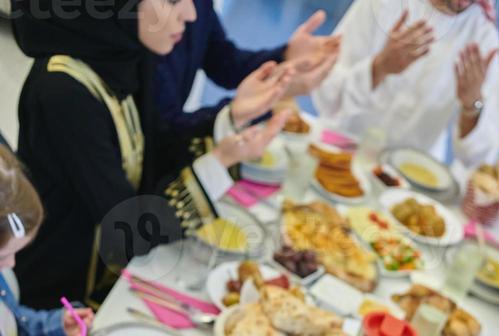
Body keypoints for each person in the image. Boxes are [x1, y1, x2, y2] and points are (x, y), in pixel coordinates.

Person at [11, 0, 290, 310]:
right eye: (172, 1)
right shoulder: (63, 93)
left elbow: (155, 152)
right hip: (60, 305)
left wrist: (231, 116)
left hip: (118, 280)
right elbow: (129, 231)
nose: (191, 14)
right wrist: (219, 162)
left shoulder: (122, 55)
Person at [313, 0, 499, 168]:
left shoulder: (483, 37)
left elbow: (476, 158)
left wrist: (472, 105)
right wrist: (379, 67)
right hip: (336, 151)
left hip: (409, 179)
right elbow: (325, 97)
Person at [0, 145, 98, 336]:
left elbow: (13, 321)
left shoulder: (2, 278)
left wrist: (55, 324)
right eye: (3, 255)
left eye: (17, 252)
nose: (12, 265)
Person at [155, 8, 341, 142]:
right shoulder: (139, 36)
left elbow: (223, 61)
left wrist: (285, 55)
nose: (191, 14)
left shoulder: (196, 7)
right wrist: (235, 114)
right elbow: (162, 134)